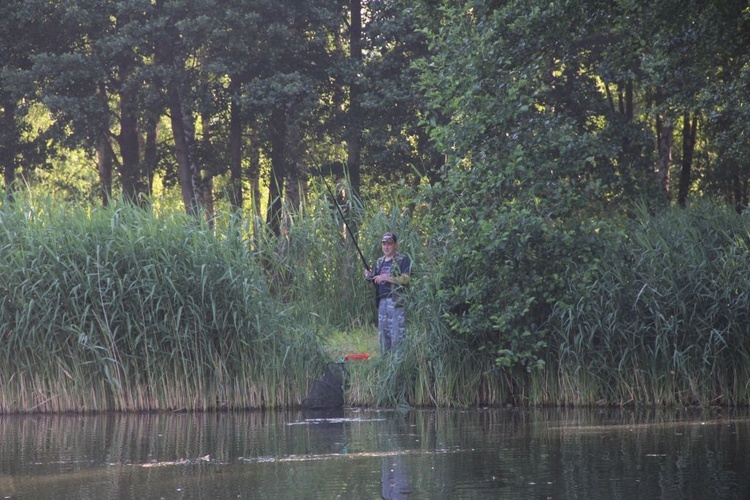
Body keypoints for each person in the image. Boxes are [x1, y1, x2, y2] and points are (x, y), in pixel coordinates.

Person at [365, 232, 412, 354]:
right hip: (382, 303)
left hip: (396, 303)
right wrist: (369, 277)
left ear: (395, 245)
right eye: (384, 244)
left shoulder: (402, 260)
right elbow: (374, 283)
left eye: (389, 244)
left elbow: (406, 279)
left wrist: (386, 278)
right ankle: (385, 365)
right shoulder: (379, 262)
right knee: (383, 338)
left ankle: (399, 366)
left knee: (397, 337)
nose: (386, 247)